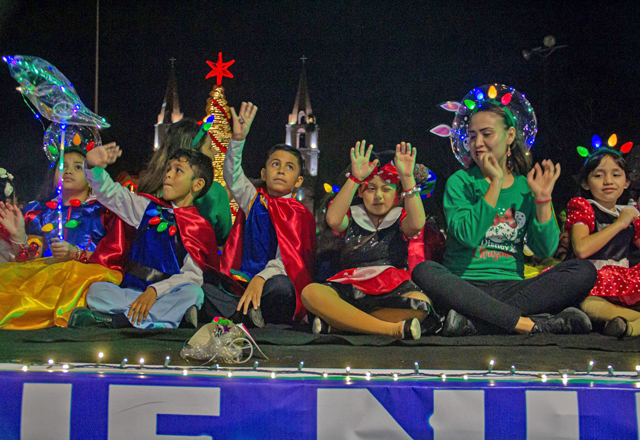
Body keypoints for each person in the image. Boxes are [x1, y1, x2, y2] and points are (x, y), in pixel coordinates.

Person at [411, 101, 597, 335]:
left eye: (486, 134)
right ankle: (529, 324)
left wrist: (542, 200)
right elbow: (467, 237)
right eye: (472, 136)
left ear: (509, 136)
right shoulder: (460, 182)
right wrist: (495, 184)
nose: (477, 143)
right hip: (464, 285)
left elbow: (545, 250)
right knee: (424, 271)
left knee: (584, 271)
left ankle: (475, 322)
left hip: (511, 287)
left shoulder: (525, 186)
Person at [67, 146, 219, 329]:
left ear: (197, 184)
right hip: (133, 293)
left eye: (178, 170)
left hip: (165, 295)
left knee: (193, 293)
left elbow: (191, 276)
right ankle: (160, 319)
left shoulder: (199, 227)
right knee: (96, 291)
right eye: (169, 169)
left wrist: (155, 291)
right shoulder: (147, 208)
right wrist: (93, 167)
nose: (168, 175)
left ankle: (120, 320)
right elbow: (111, 194)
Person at [301, 141, 440, 340]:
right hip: (350, 287)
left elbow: (417, 223)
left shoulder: (400, 218)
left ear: (397, 193)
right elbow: (333, 219)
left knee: (420, 304)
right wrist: (355, 179)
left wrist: (407, 178)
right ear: (360, 192)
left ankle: (342, 324)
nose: (378, 196)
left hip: (392, 287)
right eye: (371, 189)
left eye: (386, 189)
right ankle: (390, 329)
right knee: (311, 293)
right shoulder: (351, 215)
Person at [208, 101, 316, 326]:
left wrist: (261, 278)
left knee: (282, 288)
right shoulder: (254, 199)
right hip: (243, 280)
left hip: (271, 280)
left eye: (289, 167)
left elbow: (288, 261)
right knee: (204, 285)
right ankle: (248, 313)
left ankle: (241, 314)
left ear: (298, 181)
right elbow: (232, 176)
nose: (281, 170)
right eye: (275, 164)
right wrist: (238, 139)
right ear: (264, 174)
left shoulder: (300, 214)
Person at [0, 149, 119, 329]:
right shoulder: (40, 212)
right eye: (62, 166)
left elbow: (113, 255)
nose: (68, 171)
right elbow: (30, 259)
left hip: (85, 277)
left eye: (78, 167)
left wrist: (76, 253)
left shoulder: (102, 212)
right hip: (47, 278)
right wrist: (18, 236)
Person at [566, 148, 640, 338]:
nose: (608, 181)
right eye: (599, 175)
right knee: (589, 306)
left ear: (626, 182)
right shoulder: (584, 207)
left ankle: (627, 325)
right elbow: (582, 248)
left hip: (622, 286)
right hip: (592, 283)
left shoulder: (630, 213)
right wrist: (620, 224)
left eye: (616, 175)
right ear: (585, 183)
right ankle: (632, 323)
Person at [137, 118, 232, 246]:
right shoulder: (214, 193)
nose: (215, 153)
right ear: (193, 155)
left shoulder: (149, 187)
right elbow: (225, 238)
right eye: (210, 148)